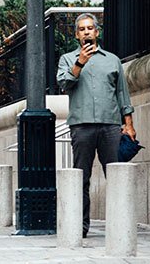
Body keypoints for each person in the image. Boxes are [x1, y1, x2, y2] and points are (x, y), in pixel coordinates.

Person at [56, 13, 136, 239]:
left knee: (116, 175)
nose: (87, 32)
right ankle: (80, 226)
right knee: (81, 176)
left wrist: (128, 124)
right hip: (81, 126)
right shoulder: (67, 59)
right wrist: (80, 62)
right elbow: (63, 83)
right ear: (76, 34)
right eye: (82, 29)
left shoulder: (112, 60)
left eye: (90, 28)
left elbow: (122, 93)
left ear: (97, 32)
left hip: (110, 125)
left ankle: (121, 223)